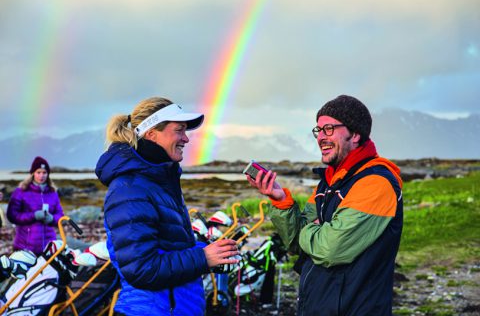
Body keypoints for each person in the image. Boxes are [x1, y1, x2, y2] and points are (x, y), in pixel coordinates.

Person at [246, 95, 403, 315]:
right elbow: (297, 246)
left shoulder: (376, 183)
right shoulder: (329, 181)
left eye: (329, 129)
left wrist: (314, 230)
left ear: (355, 134)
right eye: (318, 130)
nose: (320, 137)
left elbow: (330, 250)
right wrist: (281, 201)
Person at [95, 97, 239, 316]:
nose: (186, 139)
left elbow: (168, 248)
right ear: (151, 133)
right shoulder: (130, 189)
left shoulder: (159, 181)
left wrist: (211, 253)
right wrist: (203, 258)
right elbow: (141, 268)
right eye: (179, 130)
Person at [7, 156, 64, 255]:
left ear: (48, 174)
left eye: (44, 172)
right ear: (33, 173)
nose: (42, 176)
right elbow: (12, 215)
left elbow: (60, 216)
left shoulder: (53, 192)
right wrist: (34, 215)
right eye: (38, 172)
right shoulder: (21, 191)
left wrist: (52, 219)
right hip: (25, 246)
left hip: (49, 247)